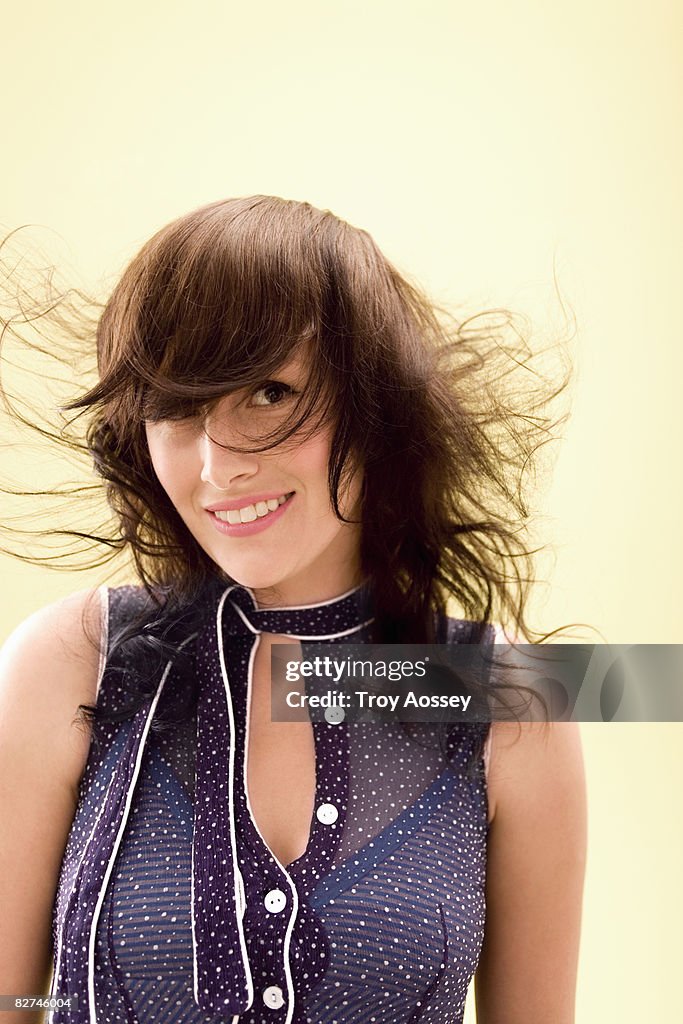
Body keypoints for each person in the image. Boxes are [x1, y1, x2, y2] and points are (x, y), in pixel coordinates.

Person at [0, 196, 586, 1024]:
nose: (216, 464)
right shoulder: (70, 659)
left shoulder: (504, 693)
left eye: (269, 394)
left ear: (375, 407)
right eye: (174, 407)